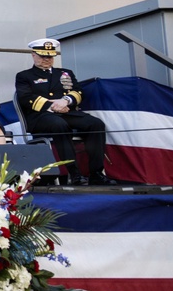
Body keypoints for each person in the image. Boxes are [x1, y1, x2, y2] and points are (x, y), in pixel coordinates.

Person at [15, 38, 115, 186]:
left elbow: (78, 92)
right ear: (33, 55)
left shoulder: (65, 73)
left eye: (50, 56)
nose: (47, 59)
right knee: (59, 125)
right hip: (41, 116)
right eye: (43, 56)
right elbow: (25, 98)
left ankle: (96, 173)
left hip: (67, 111)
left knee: (96, 124)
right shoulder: (24, 76)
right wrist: (53, 106)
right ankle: (75, 174)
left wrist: (66, 101)